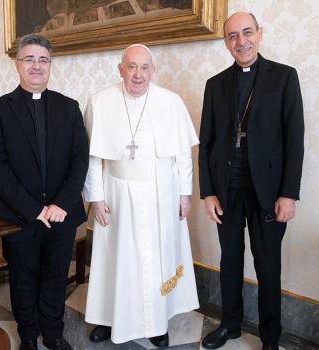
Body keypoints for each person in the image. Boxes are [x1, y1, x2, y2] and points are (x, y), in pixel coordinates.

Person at [198, 12, 304, 350]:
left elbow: (294, 139)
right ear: (226, 41)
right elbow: (207, 143)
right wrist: (208, 192)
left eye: (247, 32)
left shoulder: (285, 77)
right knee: (229, 261)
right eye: (232, 36)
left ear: (259, 34)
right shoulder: (215, 85)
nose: (241, 41)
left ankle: (270, 337)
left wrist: (289, 194)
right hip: (227, 190)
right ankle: (230, 324)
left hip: (269, 192)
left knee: (268, 266)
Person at [83, 44, 200, 347]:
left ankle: (156, 323)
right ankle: (109, 319)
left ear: (153, 70)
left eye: (144, 67)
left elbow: (183, 156)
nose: (138, 74)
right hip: (117, 194)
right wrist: (96, 197)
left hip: (162, 194)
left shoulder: (170, 102)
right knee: (116, 260)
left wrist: (185, 194)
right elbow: (92, 158)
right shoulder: (100, 102)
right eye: (131, 67)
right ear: (120, 69)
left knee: (158, 258)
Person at [0, 34, 88, 350]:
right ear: (18, 65)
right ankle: (28, 335)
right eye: (30, 59)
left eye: (43, 60)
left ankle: (53, 334)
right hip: (18, 215)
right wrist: (35, 210)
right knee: (24, 280)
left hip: (61, 214)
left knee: (56, 277)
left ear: (50, 65)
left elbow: (80, 159)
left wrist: (62, 204)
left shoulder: (69, 108)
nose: (37, 66)